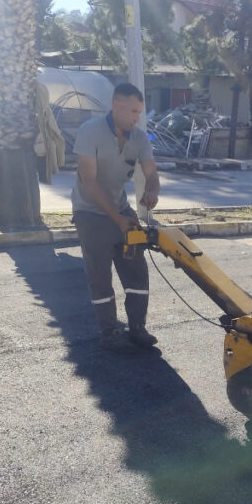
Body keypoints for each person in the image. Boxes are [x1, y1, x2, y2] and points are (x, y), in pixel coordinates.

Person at [71, 82, 160, 351]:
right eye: (132, 111)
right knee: (100, 275)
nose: (136, 117)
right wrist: (118, 219)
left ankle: (137, 328)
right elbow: (89, 182)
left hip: (121, 209)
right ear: (116, 105)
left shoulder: (140, 138)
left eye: (139, 112)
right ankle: (110, 332)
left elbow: (151, 173)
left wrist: (152, 191)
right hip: (90, 211)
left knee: (136, 269)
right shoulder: (90, 132)